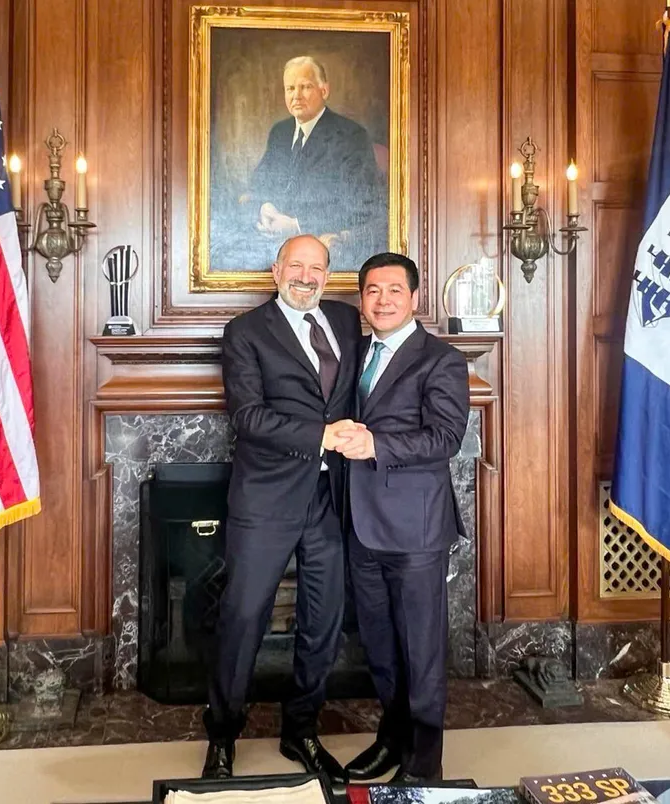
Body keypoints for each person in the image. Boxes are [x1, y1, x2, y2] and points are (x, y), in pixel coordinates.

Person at [202, 234, 361, 784]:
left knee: (323, 620)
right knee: (244, 617)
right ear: (276, 270)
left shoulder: (346, 322)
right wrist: (322, 435)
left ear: (328, 276)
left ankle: (301, 729)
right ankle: (222, 735)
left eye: (316, 268)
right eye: (296, 265)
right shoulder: (246, 332)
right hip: (266, 498)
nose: (306, 276)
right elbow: (248, 417)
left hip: (331, 498)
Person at [335, 252, 470, 783]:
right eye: (372, 291)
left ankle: (423, 767)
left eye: (394, 290)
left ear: (415, 298)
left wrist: (377, 444)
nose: (383, 300)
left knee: (420, 652)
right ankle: (392, 740)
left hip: (415, 530)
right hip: (360, 524)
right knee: (381, 648)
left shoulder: (440, 359)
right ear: (361, 301)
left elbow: (445, 438)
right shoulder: (355, 353)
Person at [241, 56, 386, 270]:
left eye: (305, 87)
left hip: (321, 249)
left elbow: (360, 206)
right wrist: (265, 207)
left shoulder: (351, 136)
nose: (296, 96)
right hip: (273, 246)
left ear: (324, 91)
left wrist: (297, 226)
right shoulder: (280, 132)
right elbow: (258, 185)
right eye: (290, 88)